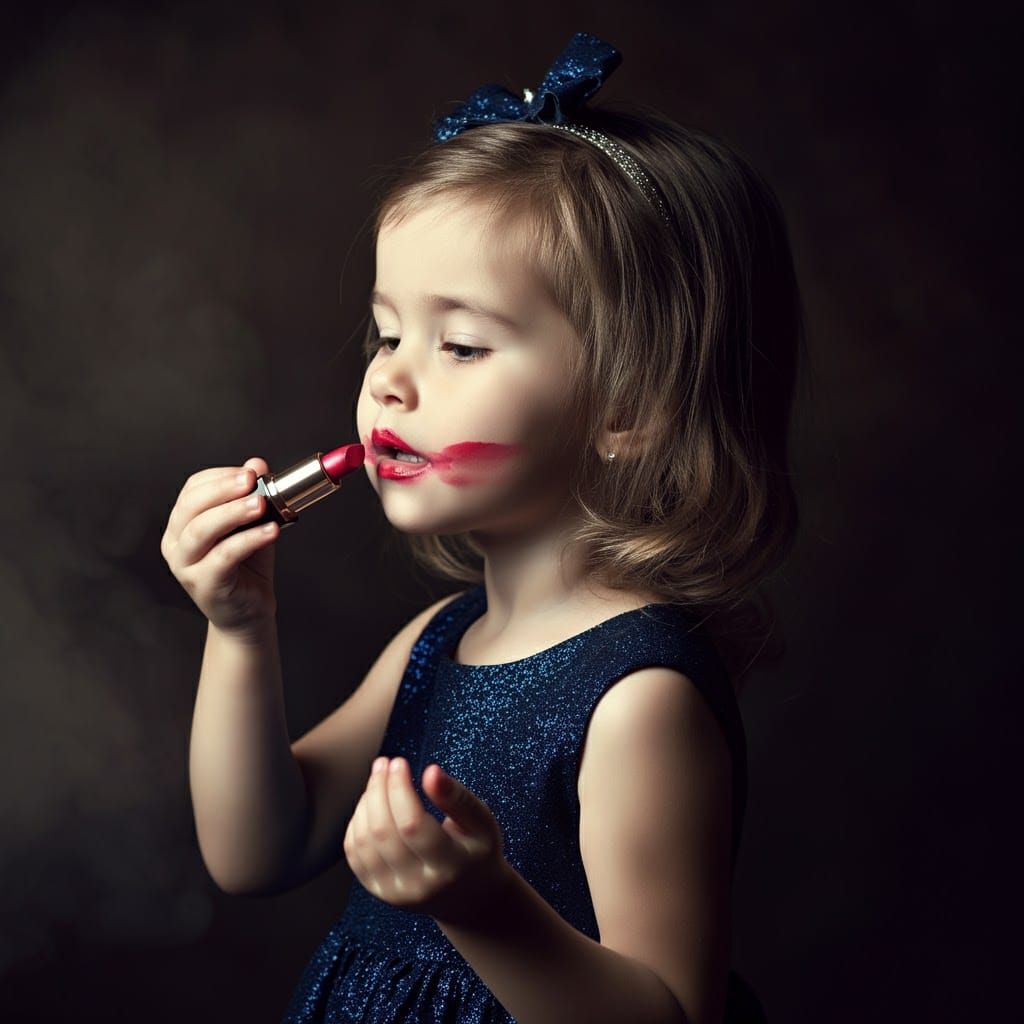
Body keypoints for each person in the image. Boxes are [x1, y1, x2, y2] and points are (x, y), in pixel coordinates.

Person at [162, 30, 804, 1024]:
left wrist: (481, 906)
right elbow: (259, 848)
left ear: (630, 408)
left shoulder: (638, 702)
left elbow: (672, 1014)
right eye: (387, 332)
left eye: (460, 343)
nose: (387, 378)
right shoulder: (434, 643)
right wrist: (238, 625)